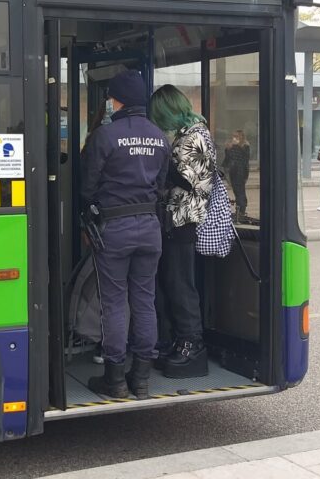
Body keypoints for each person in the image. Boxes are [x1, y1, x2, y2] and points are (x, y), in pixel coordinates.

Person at [80, 70, 169, 399]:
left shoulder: (106, 136)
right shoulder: (160, 137)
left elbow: (87, 187)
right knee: (144, 301)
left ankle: (115, 380)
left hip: (114, 229)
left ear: (116, 100)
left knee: (115, 303)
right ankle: (141, 379)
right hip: (149, 228)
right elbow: (161, 187)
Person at [149, 84, 215, 378]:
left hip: (184, 219)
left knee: (181, 286)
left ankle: (192, 344)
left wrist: (161, 158)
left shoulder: (194, 136)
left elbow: (187, 180)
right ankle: (180, 340)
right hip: (177, 219)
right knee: (172, 283)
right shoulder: (190, 134)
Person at [223, 130, 250, 220]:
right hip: (232, 171)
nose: (234, 138)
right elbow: (228, 158)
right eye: (233, 136)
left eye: (236, 136)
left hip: (240, 171)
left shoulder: (245, 146)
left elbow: (245, 159)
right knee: (237, 191)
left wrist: (238, 146)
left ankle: (241, 210)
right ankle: (239, 210)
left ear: (241, 137)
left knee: (240, 191)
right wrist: (228, 148)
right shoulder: (231, 146)